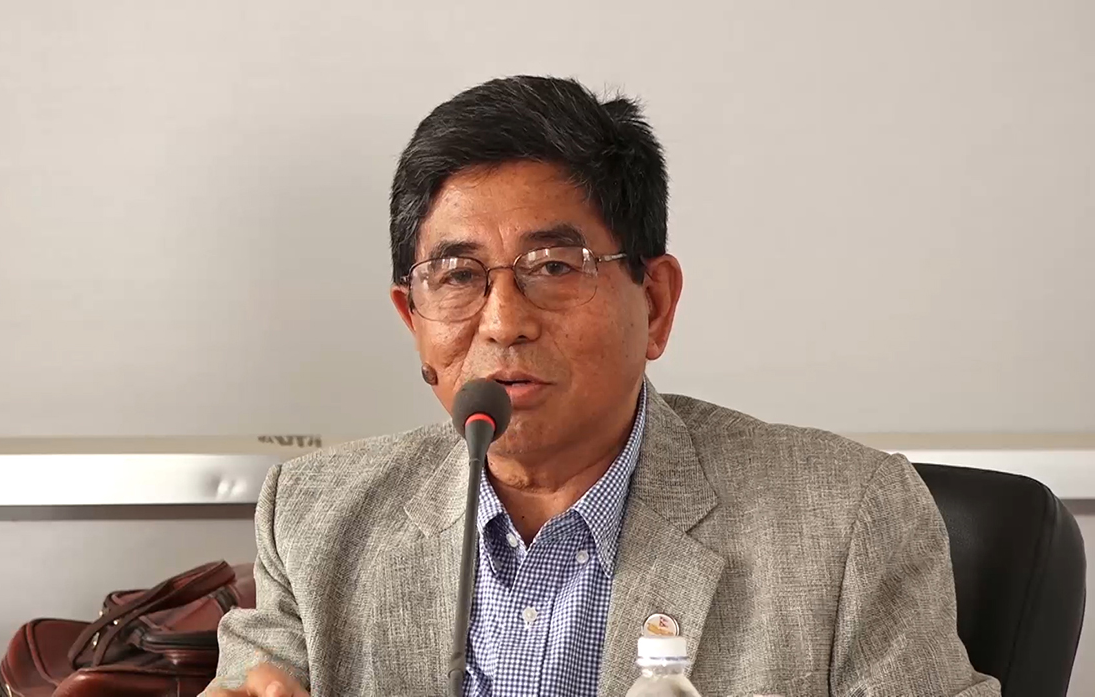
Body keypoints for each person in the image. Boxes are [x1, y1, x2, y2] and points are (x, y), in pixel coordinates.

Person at [203, 76, 1000, 697]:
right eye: (459, 276)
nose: (503, 321)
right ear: (414, 319)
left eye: (554, 267)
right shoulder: (313, 516)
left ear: (655, 303)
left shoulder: (845, 521)